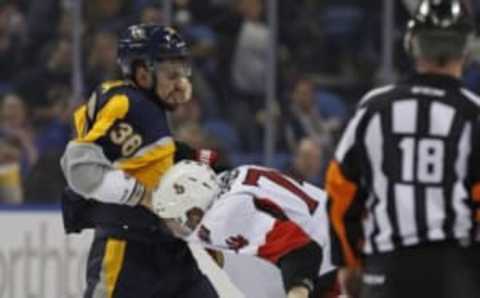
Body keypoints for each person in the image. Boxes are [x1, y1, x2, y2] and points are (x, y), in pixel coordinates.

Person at [325, 1, 480, 297]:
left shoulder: (374, 109)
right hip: (454, 272)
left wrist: (348, 262)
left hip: (386, 269)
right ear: (466, 50)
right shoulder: (473, 114)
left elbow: (340, 189)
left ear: (411, 44)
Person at [60, 24, 218, 298]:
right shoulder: (124, 103)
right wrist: (144, 196)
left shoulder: (149, 111)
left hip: (171, 254)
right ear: (143, 74)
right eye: (171, 74)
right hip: (127, 253)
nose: (180, 84)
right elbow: (79, 167)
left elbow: (150, 166)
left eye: (182, 73)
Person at [152, 160, 339, 298]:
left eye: (175, 222)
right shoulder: (232, 176)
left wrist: (297, 292)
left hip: (337, 260)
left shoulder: (220, 219)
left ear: (194, 213)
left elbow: (302, 251)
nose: (176, 232)